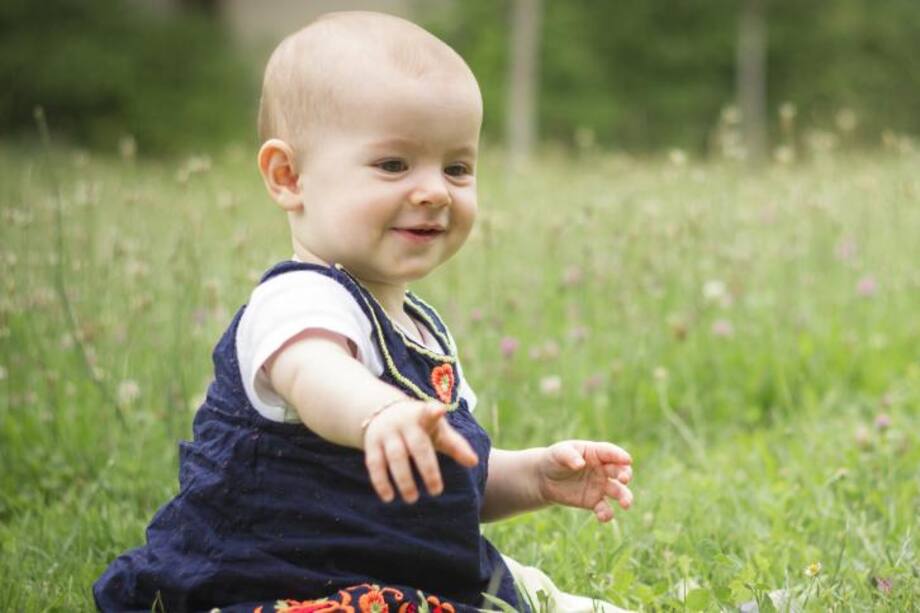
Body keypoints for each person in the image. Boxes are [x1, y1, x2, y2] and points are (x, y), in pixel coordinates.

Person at [94, 11, 634, 613]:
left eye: (456, 167)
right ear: (289, 175)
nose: (434, 190)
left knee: (508, 593)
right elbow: (317, 374)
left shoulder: (423, 333)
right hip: (279, 580)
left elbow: (442, 479)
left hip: (393, 574)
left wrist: (535, 477)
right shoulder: (299, 302)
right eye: (393, 165)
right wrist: (377, 412)